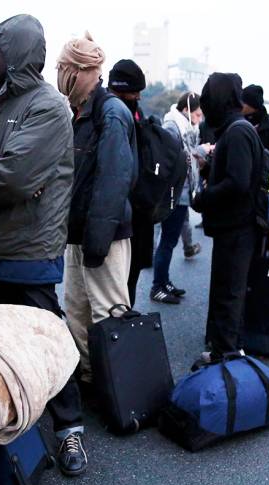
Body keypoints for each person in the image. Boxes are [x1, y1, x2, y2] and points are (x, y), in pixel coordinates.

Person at [0, 15, 87, 476]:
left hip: (31, 248)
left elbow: (11, 181)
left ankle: (69, 431)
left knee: (47, 342)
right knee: (1, 347)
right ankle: (18, 430)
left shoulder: (48, 107)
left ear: (19, 53)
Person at [56, 40, 136, 395]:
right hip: (77, 234)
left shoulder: (111, 111)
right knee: (76, 310)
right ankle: (90, 380)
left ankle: (121, 390)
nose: (62, 75)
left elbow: (114, 178)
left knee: (110, 313)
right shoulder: (78, 111)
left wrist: (98, 242)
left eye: (67, 69)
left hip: (104, 234)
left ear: (86, 71)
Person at [192, 72, 264, 356]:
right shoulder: (237, 128)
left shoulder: (237, 131)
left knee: (229, 294)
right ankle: (227, 352)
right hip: (235, 226)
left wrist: (204, 197)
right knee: (227, 291)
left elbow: (238, 182)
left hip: (238, 226)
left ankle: (227, 357)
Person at [105, 59, 149, 306]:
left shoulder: (124, 114)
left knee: (125, 280)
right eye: (135, 92)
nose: (138, 97)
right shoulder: (119, 114)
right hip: (127, 211)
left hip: (133, 210)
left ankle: (123, 331)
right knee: (118, 283)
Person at [152, 91, 203, 304]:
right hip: (174, 192)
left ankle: (164, 282)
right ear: (186, 110)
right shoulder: (174, 126)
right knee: (167, 241)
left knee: (170, 240)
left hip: (180, 190)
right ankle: (157, 287)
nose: (199, 119)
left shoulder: (184, 126)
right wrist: (201, 150)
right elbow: (174, 156)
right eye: (198, 114)